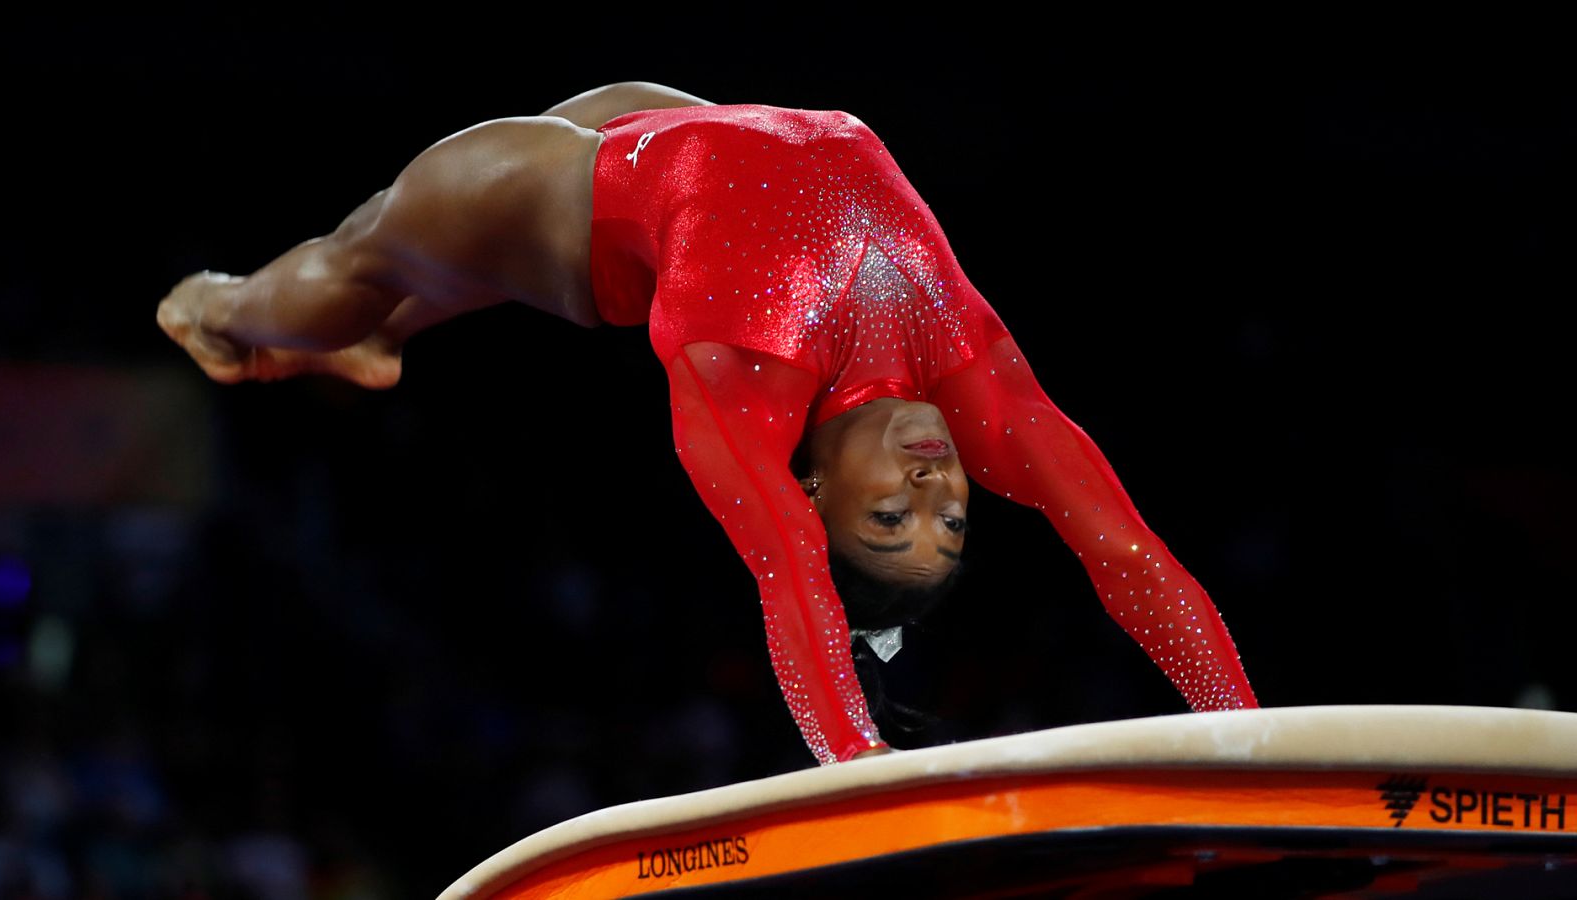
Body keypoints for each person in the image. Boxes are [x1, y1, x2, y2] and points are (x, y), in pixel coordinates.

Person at [157, 81, 1259, 766]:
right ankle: (357, 328)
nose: (934, 494)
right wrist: (1250, 733)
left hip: (561, 204)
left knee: (353, 264)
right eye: (950, 522)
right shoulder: (977, 381)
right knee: (389, 284)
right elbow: (1126, 552)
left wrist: (851, 763)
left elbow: (788, 575)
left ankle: (215, 306)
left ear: (822, 488)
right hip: (686, 131)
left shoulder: (745, 376)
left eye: (891, 519)